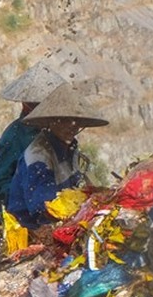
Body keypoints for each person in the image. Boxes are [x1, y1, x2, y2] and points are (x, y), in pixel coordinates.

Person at [6, 80, 108, 230]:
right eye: (64, 121)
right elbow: (44, 207)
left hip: (61, 217)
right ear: (51, 122)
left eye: (76, 121)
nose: (72, 126)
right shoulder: (38, 157)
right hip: (29, 227)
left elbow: (72, 188)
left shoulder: (70, 146)